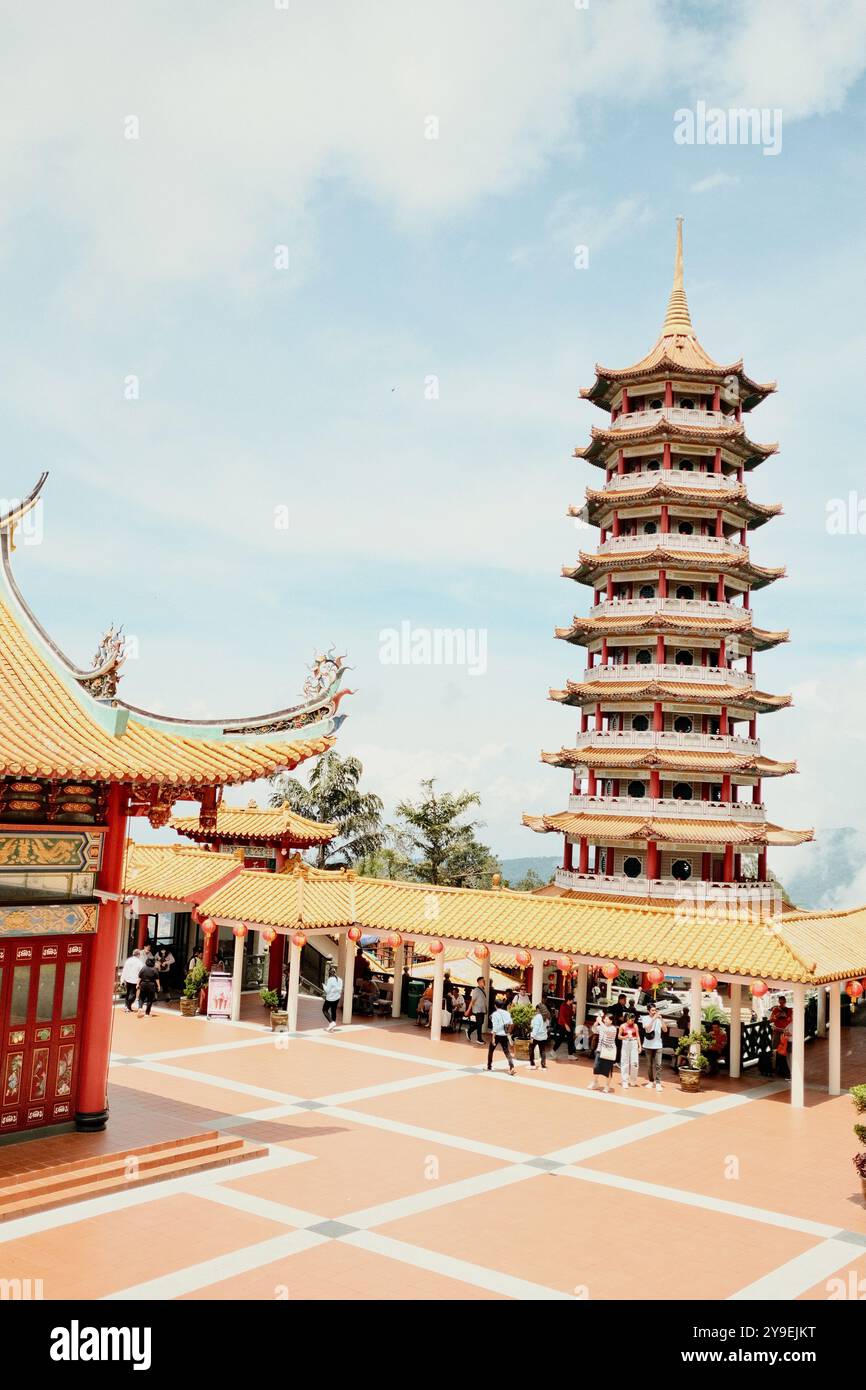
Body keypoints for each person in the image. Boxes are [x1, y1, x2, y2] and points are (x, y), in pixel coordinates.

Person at [486, 994, 515, 1075]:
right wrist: (508, 1032)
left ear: (495, 1005)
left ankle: (489, 1066)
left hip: (497, 1034)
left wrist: (493, 1038)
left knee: (491, 1050)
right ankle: (511, 1066)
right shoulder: (507, 1013)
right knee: (506, 1051)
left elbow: (494, 1027)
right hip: (504, 1035)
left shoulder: (494, 1014)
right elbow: (511, 1024)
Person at [641, 1003, 668, 1091]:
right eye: (652, 1010)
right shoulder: (645, 1018)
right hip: (648, 1045)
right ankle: (650, 1081)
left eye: (655, 1010)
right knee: (649, 1065)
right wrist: (653, 1019)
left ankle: (658, 1082)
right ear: (648, 1011)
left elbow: (665, 1029)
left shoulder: (659, 1019)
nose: (654, 1012)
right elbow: (648, 1029)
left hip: (658, 1045)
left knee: (658, 1065)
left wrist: (661, 1019)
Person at [589, 1012, 618, 1093]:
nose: (605, 1020)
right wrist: (597, 1022)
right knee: (596, 1067)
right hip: (600, 1050)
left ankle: (607, 1086)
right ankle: (595, 1083)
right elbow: (594, 1029)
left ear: (611, 1021)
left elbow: (606, 1031)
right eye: (604, 1018)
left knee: (608, 1070)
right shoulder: (602, 1026)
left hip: (608, 1051)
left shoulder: (613, 1028)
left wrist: (600, 1022)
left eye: (606, 1019)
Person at [618, 1012, 641, 1088]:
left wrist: (639, 1046)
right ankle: (625, 1081)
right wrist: (626, 1036)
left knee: (634, 1062)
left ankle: (633, 1080)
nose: (632, 1021)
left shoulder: (635, 1025)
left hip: (634, 1043)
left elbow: (637, 1036)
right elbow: (619, 1036)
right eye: (631, 1020)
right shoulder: (623, 1026)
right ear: (627, 1019)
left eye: (633, 1020)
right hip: (626, 1042)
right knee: (625, 1062)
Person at [120, 948, 144, 1012]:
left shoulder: (128, 960)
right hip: (135, 980)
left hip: (127, 979)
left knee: (128, 993)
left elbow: (124, 970)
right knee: (133, 994)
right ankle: (128, 1006)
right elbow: (141, 972)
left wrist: (122, 979)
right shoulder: (139, 962)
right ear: (138, 955)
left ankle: (127, 1006)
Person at [322, 965, 343, 1032]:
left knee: (324, 1010)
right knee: (333, 1011)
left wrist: (323, 986)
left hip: (330, 998)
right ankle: (332, 1027)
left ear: (330, 973)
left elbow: (327, 990)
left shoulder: (330, 979)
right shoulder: (340, 980)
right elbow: (340, 989)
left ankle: (331, 1022)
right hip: (337, 998)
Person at [466, 976, 487, 1044]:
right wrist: (468, 1010)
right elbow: (472, 1001)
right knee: (479, 1024)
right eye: (483, 981)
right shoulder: (476, 990)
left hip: (482, 1010)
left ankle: (469, 1031)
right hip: (477, 1010)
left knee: (480, 1023)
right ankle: (479, 1039)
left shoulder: (483, 989)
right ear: (479, 982)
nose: (484, 982)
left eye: (484, 981)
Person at [529, 1003, 549, 1071]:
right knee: (542, 1051)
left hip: (536, 1037)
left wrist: (532, 1036)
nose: (536, 1011)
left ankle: (532, 1064)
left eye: (536, 1009)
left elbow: (536, 1028)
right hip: (543, 1037)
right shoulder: (545, 1017)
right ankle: (543, 1066)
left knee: (531, 1049)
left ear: (538, 1009)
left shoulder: (537, 1017)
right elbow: (547, 1025)